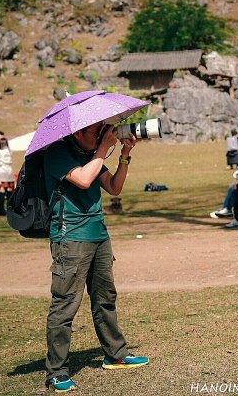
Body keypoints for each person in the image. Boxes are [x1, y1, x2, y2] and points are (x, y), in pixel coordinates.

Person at [43, 121, 148, 392]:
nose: (102, 136)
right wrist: (102, 149)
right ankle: (57, 371)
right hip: (70, 239)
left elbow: (113, 187)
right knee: (66, 304)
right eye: (95, 132)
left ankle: (116, 354)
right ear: (77, 132)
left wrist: (124, 155)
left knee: (105, 297)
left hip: (98, 234)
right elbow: (82, 179)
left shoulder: (92, 156)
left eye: (103, 131)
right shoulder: (57, 153)